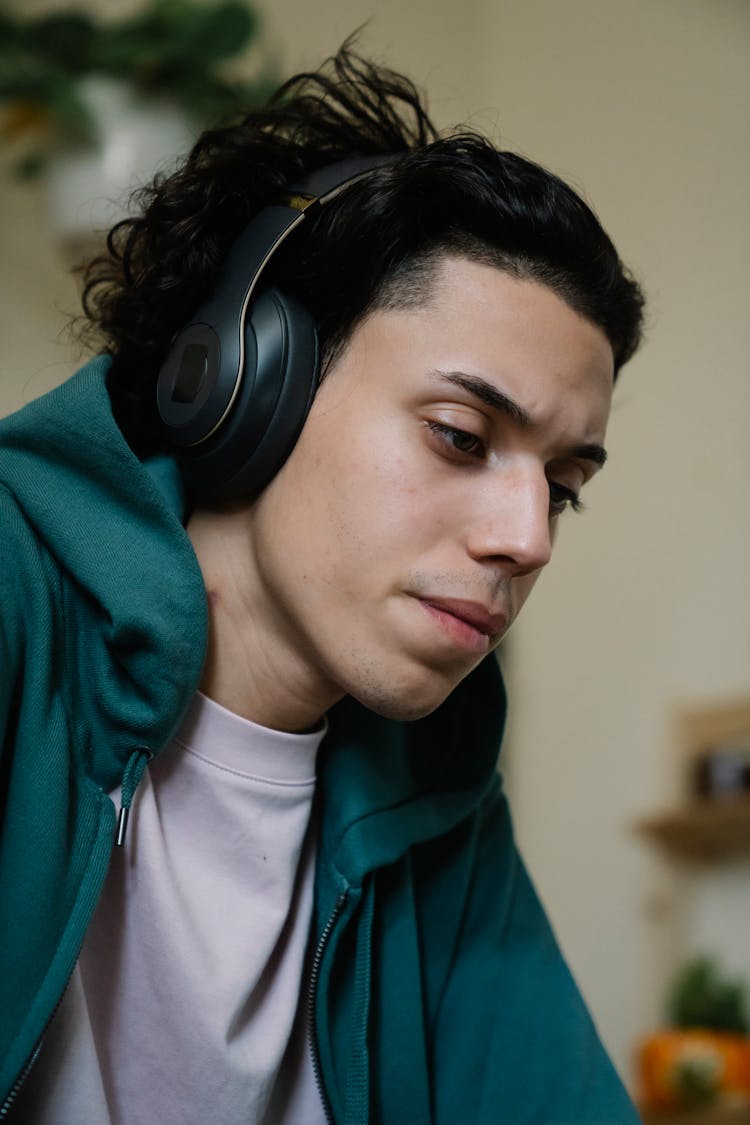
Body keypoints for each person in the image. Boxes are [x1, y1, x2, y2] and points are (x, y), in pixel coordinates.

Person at [0, 46, 645, 1125]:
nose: (529, 539)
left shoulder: (433, 787)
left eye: (563, 489)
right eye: (460, 435)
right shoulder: (16, 595)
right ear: (250, 378)